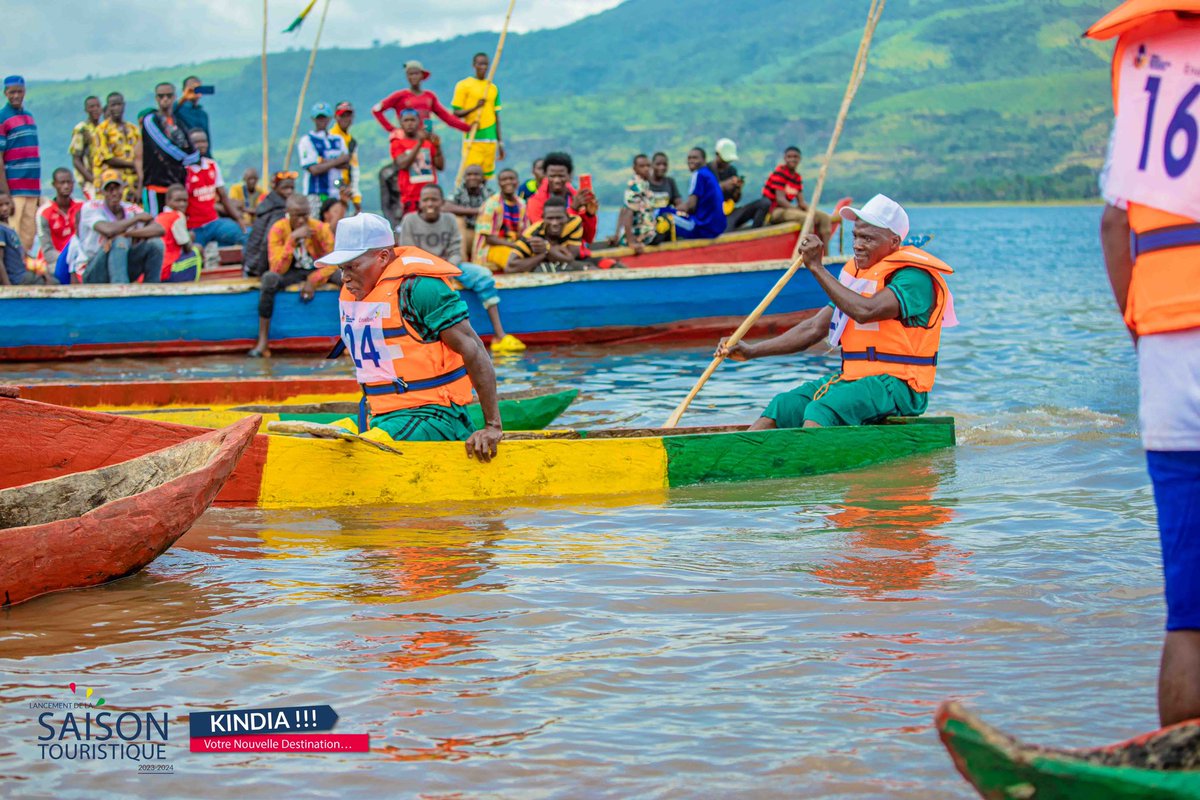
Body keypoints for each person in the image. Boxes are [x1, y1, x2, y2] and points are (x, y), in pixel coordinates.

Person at [1088, 0, 1200, 727]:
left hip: (1167, 338)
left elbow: (1112, 223)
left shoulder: (1144, 70)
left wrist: (1144, 329)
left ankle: (1178, 763)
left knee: (1188, 611)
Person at [717, 194, 954, 430]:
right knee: (783, 405)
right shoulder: (858, 278)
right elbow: (813, 328)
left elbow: (866, 311)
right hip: (853, 378)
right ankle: (742, 460)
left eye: (868, 239)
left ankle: (806, 462)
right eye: (856, 236)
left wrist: (817, 268)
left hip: (900, 386)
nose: (858, 245)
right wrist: (750, 351)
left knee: (822, 410)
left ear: (894, 242)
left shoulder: (914, 278)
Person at [321, 212, 502, 457]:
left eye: (352, 266)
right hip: (380, 414)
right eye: (342, 268)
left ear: (383, 256)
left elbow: (474, 349)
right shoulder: (356, 293)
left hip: (435, 414)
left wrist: (492, 426)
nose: (345, 277)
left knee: (367, 448)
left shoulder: (420, 288)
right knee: (325, 437)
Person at [396, 183, 524, 353]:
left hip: (451, 266)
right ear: (419, 202)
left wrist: (448, 267)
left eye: (434, 199)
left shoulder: (449, 219)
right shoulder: (410, 220)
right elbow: (408, 253)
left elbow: (456, 250)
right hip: (422, 270)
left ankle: (499, 334)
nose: (430, 204)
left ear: (442, 202)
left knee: (483, 275)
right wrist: (434, 269)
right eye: (426, 200)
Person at [248, 193, 335, 357]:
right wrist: (292, 239)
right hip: (290, 271)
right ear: (288, 213)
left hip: (314, 269)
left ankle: (350, 336)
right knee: (269, 279)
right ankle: (263, 341)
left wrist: (313, 280)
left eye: (305, 215)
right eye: (297, 216)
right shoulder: (278, 229)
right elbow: (276, 268)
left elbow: (334, 261)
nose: (302, 221)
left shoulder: (320, 228)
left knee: (344, 277)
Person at [75, 169, 165, 284]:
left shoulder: (130, 208)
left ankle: (152, 289)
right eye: (109, 189)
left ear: (123, 189)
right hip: (94, 269)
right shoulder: (92, 207)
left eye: (117, 188)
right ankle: (121, 289)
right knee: (119, 241)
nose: (114, 193)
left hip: (122, 265)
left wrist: (128, 234)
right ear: (102, 192)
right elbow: (108, 230)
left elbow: (159, 229)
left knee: (156, 244)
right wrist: (136, 219)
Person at [139, 82, 198, 214]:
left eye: (169, 96)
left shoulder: (178, 122)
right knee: (156, 226)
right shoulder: (151, 120)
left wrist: (190, 158)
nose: (165, 99)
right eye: (161, 96)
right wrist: (185, 159)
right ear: (156, 99)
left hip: (176, 186)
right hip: (156, 184)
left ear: (174, 97)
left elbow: (193, 149)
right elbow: (165, 147)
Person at [0, 76, 41, 254]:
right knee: (13, 235)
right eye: (12, 92)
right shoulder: (2, 118)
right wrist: (5, 194)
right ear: (5, 93)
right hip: (14, 188)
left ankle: (24, 276)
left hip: (32, 188)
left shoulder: (29, 117)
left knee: (28, 236)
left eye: (19, 91)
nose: (16, 96)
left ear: (24, 92)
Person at [372, 61, 470, 134]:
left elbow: (447, 117)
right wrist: (393, 130)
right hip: (407, 139)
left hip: (426, 137)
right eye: (411, 74)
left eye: (416, 73)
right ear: (407, 77)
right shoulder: (400, 96)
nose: (414, 77)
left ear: (422, 76)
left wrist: (468, 128)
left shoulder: (430, 96)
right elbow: (376, 110)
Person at [184, 130, 245, 248]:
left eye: (204, 141)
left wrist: (238, 219)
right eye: (197, 142)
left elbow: (224, 197)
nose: (202, 145)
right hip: (194, 227)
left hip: (214, 223)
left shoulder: (212, 165)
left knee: (242, 234)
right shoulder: (184, 170)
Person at [763, 146, 833, 243]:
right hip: (775, 211)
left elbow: (801, 203)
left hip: (788, 209)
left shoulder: (797, 177)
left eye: (795, 157)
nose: (792, 159)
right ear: (785, 158)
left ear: (799, 159)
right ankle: (808, 250)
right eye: (789, 157)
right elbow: (780, 200)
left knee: (824, 217)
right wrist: (800, 211)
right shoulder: (779, 173)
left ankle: (825, 254)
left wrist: (811, 211)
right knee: (806, 218)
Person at [452, 52, 505, 180]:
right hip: (473, 139)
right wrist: (475, 107)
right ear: (474, 65)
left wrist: (500, 143)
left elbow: (497, 117)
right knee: (471, 176)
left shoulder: (492, 88)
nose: (484, 67)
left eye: (486, 64)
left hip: (490, 140)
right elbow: (456, 112)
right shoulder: (464, 85)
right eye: (480, 64)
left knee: (486, 177)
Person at [526, 151, 598, 245]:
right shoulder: (535, 202)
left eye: (561, 176)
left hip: (576, 251)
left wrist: (590, 215)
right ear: (545, 175)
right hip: (550, 254)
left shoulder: (577, 198)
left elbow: (588, 238)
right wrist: (573, 209)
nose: (556, 180)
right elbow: (546, 235)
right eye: (552, 176)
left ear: (569, 176)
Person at [507, 195, 588, 273]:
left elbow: (570, 258)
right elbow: (509, 268)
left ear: (566, 216)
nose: (555, 223)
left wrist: (547, 248)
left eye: (559, 218)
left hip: (564, 267)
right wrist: (543, 255)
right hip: (537, 271)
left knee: (588, 268)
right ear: (543, 218)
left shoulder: (574, 223)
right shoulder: (532, 234)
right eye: (550, 218)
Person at [297, 102, 350, 218]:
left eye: (324, 117)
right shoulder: (307, 140)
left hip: (336, 194)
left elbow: (346, 163)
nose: (322, 120)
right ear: (313, 119)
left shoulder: (338, 140)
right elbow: (313, 169)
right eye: (319, 118)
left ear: (330, 118)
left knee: (335, 228)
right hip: (315, 194)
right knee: (316, 228)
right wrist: (337, 161)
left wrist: (324, 163)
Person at [389, 108, 443, 217]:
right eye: (406, 120)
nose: (410, 124)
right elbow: (403, 165)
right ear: (400, 122)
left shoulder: (428, 143)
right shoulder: (397, 144)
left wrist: (437, 147)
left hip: (430, 196)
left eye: (413, 120)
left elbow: (440, 166)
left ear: (419, 122)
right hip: (411, 197)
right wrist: (419, 143)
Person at [243, 171, 295, 278]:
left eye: (291, 188)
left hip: (251, 262)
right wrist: (262, 272)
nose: (289, 191)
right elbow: (267, 241)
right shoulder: (278, 211)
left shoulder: (268, 203)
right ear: (275, 187)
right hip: (258, 265)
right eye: (285, 188)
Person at [474, 167, 527, 273]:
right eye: (504, 179)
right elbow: (489, 239)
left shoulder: (521, 204)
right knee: (514, 260)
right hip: (490, 248)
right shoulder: (491, 204)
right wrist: (516, 246)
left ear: (517, 181)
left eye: (511, 178)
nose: (508, 182)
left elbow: (524, 232)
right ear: (499, 183)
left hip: (514, 246)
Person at [92, 92, 140, 203]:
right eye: (113, 105)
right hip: (111, 183)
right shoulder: (102, 130)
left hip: (133, 183)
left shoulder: (133, 129)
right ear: (108, 107)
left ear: (124, 105)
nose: (116, 108)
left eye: (119, 104)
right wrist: (134, 164)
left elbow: (140, 154)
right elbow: (107, 158)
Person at [611, 153, 662, 252]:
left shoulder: (643, 184)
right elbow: (628, 212)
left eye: (648, 166)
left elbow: (623, 209)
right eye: (642, 166)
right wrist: (631, 242)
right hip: (642, 235)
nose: (646, 169)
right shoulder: (637, 186)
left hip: (643, 232)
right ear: (635, 169)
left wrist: (617, 234)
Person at [0, 192, 54, 285]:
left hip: (23, 274)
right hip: (17, 279)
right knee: (53, 283)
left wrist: (40, 271)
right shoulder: (1, 230)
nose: (4, 208)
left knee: (52, 277)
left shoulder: (9, 229)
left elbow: (23, 255)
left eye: (7, 204)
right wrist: (7, 286)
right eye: (0, 205)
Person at [674, 147, 726, 240]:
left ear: (704, 160)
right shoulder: (709, 175)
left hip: (703, 228)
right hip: (717, 228)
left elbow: (691, 206)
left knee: (663, 217)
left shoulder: (698, 174)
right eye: (689, 158)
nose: (691, 161)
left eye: (695, 158)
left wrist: (672, 210)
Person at [443, 164, 492, 261]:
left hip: (484, 234)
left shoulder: (489, 193)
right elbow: (445, 207)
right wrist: (477, 211)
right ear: (464, 177)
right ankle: (462, 260)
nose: (472, 177)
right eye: (469, 175)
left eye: (476, 174)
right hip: (465, 235)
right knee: (458, 220)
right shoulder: (458, 191)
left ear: (482, 178)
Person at [156, 183, 201, 282]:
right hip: (168, 270)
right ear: (167, 201)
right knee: (197, 249)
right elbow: (187, 246)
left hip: (158, 269)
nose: (182, 204)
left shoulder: (160, 216)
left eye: (185, 201)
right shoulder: (177, 216)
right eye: (178, 201)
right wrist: (190, 237)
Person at [36, 168, 81, 267]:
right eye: (62, 183)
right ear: (54, 184)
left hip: (78, 260)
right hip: (53, 262)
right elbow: (47, 250)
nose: (66, 186)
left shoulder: (82, 207)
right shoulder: (44, 212)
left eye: (69, 182)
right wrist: (66, 261)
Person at [69, 96, 103, 199]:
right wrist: (92, 179)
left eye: (98, 106)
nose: (95, 109)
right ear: (86, 110)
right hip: (90, 180)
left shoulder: (103, 128)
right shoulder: (82, 129)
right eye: (92, 106)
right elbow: (76, 159)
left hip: (104, 178)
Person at [329, 101, 361, 212]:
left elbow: (354, 169)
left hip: (346, 192)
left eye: (348, 115)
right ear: (335, 117)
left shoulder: (352, 142)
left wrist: (356, 198)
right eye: (342, 115)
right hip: (330, 191)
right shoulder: (329, 138)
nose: (345, 119)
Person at [175, 76, 211, 145]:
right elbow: (166, 112)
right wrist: (184, 98)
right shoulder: (178, 110)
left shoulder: (203, 114)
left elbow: (207, 138)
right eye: (191, 90)